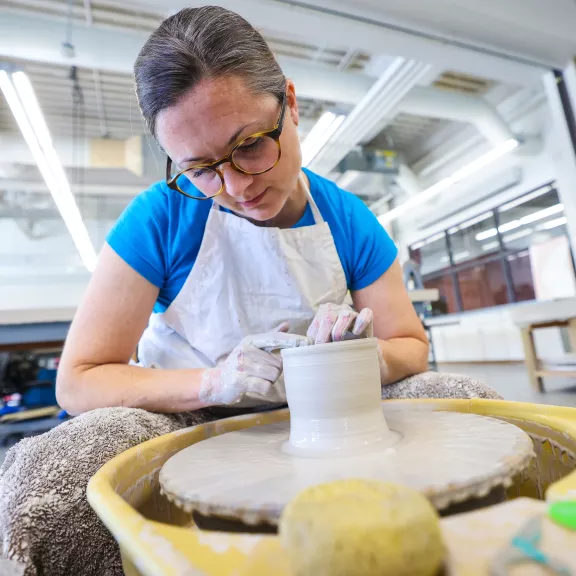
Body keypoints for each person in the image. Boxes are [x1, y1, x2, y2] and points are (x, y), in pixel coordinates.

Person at [0, 6, 498, 575]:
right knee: (58, 479)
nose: (236, 186)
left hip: (332, 414)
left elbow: (410, 345)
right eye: (203, 169)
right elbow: (80, 379)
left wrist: (362, 357)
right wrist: (215, 382)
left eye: (250, 145)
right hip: (186, 420)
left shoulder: (347, 218)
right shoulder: (161, 216)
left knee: (469, 403)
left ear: (289, 101)